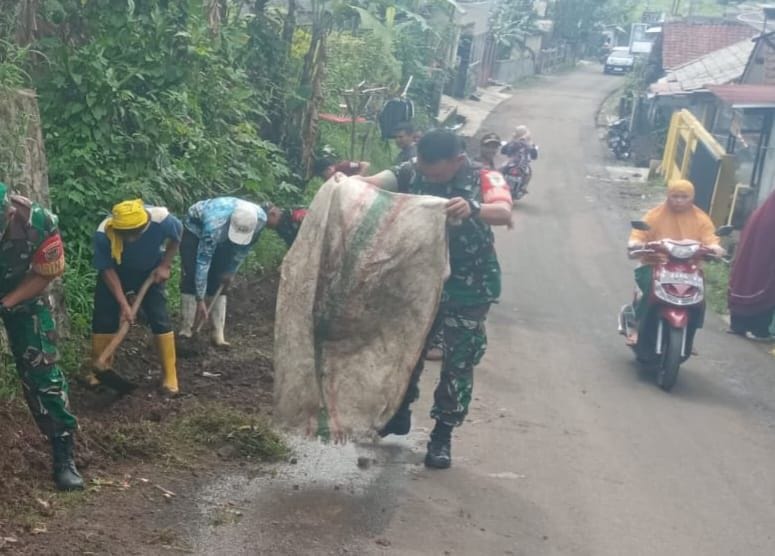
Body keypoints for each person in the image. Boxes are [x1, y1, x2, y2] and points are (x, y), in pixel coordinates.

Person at [359, 129, 512, 469]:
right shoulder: (411, 170)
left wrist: (474, 208)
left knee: (457, 362)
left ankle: (442, 434)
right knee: (408, 348)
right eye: (424, 170)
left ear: (458, 161)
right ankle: (399, 412)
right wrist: (348, 180)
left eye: (437, 173)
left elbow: (503, 212)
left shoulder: (484, 176)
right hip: (419, 278)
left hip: (468, 283)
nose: (428, 178)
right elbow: (374, 182)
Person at [0, 183, 83, 490]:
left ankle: (64, 457)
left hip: (24, 296)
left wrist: (8, 303)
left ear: (9, 214)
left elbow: (46, 272)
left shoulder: (39, 223)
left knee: (43, 372)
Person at [91, 199, 182, 394]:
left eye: (135, 234)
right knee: (103, 319)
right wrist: (123, 303)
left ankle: (170, 376)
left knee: (159, 318)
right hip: (116, 272)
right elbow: (106, 269)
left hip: (149, 272)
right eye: (125, 235)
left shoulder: (163, 220)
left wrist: (165, 265)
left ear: (145, 224)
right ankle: (100, 369)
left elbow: (177, 236)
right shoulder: (104, 232)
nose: (130, 239)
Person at [625, 179, 723, 345]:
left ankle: (689, 335)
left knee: (699, 298)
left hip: (688, 268)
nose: (679, 201)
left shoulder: (701, 219)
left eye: (684, 197)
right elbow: (638, 236)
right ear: (668, 196)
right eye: (675, 196)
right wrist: (636, 244)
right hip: (654, 263)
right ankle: (636, 327)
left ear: (691, 198)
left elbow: (710, 238)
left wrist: (715, 247)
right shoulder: (654, 215)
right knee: (649, 290)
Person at [179, 197, 267, 346]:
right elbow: (203, 261)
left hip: (224, 230)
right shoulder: (213, 225)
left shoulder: (260, 220)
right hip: (195, 229)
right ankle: (186, 331)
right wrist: (200, 299)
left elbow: (243, 248)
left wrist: (230, 270)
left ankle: (217, 334)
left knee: (220, 278)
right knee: (192, 274)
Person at [728, 190, 775, 340]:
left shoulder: (761, 213)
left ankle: (738, 326)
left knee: (746, 282)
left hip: (751, 261)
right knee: (765, 289)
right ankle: (759, 330)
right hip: (766, 264)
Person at [501, 125, 538, 194]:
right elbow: (534, 156)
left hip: (511, 163)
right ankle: (523, 187)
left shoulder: (512, 142)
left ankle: (498, 185)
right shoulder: (530, 144)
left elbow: (503, 151)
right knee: (528, 174)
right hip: (522, 165)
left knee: (501, 170)